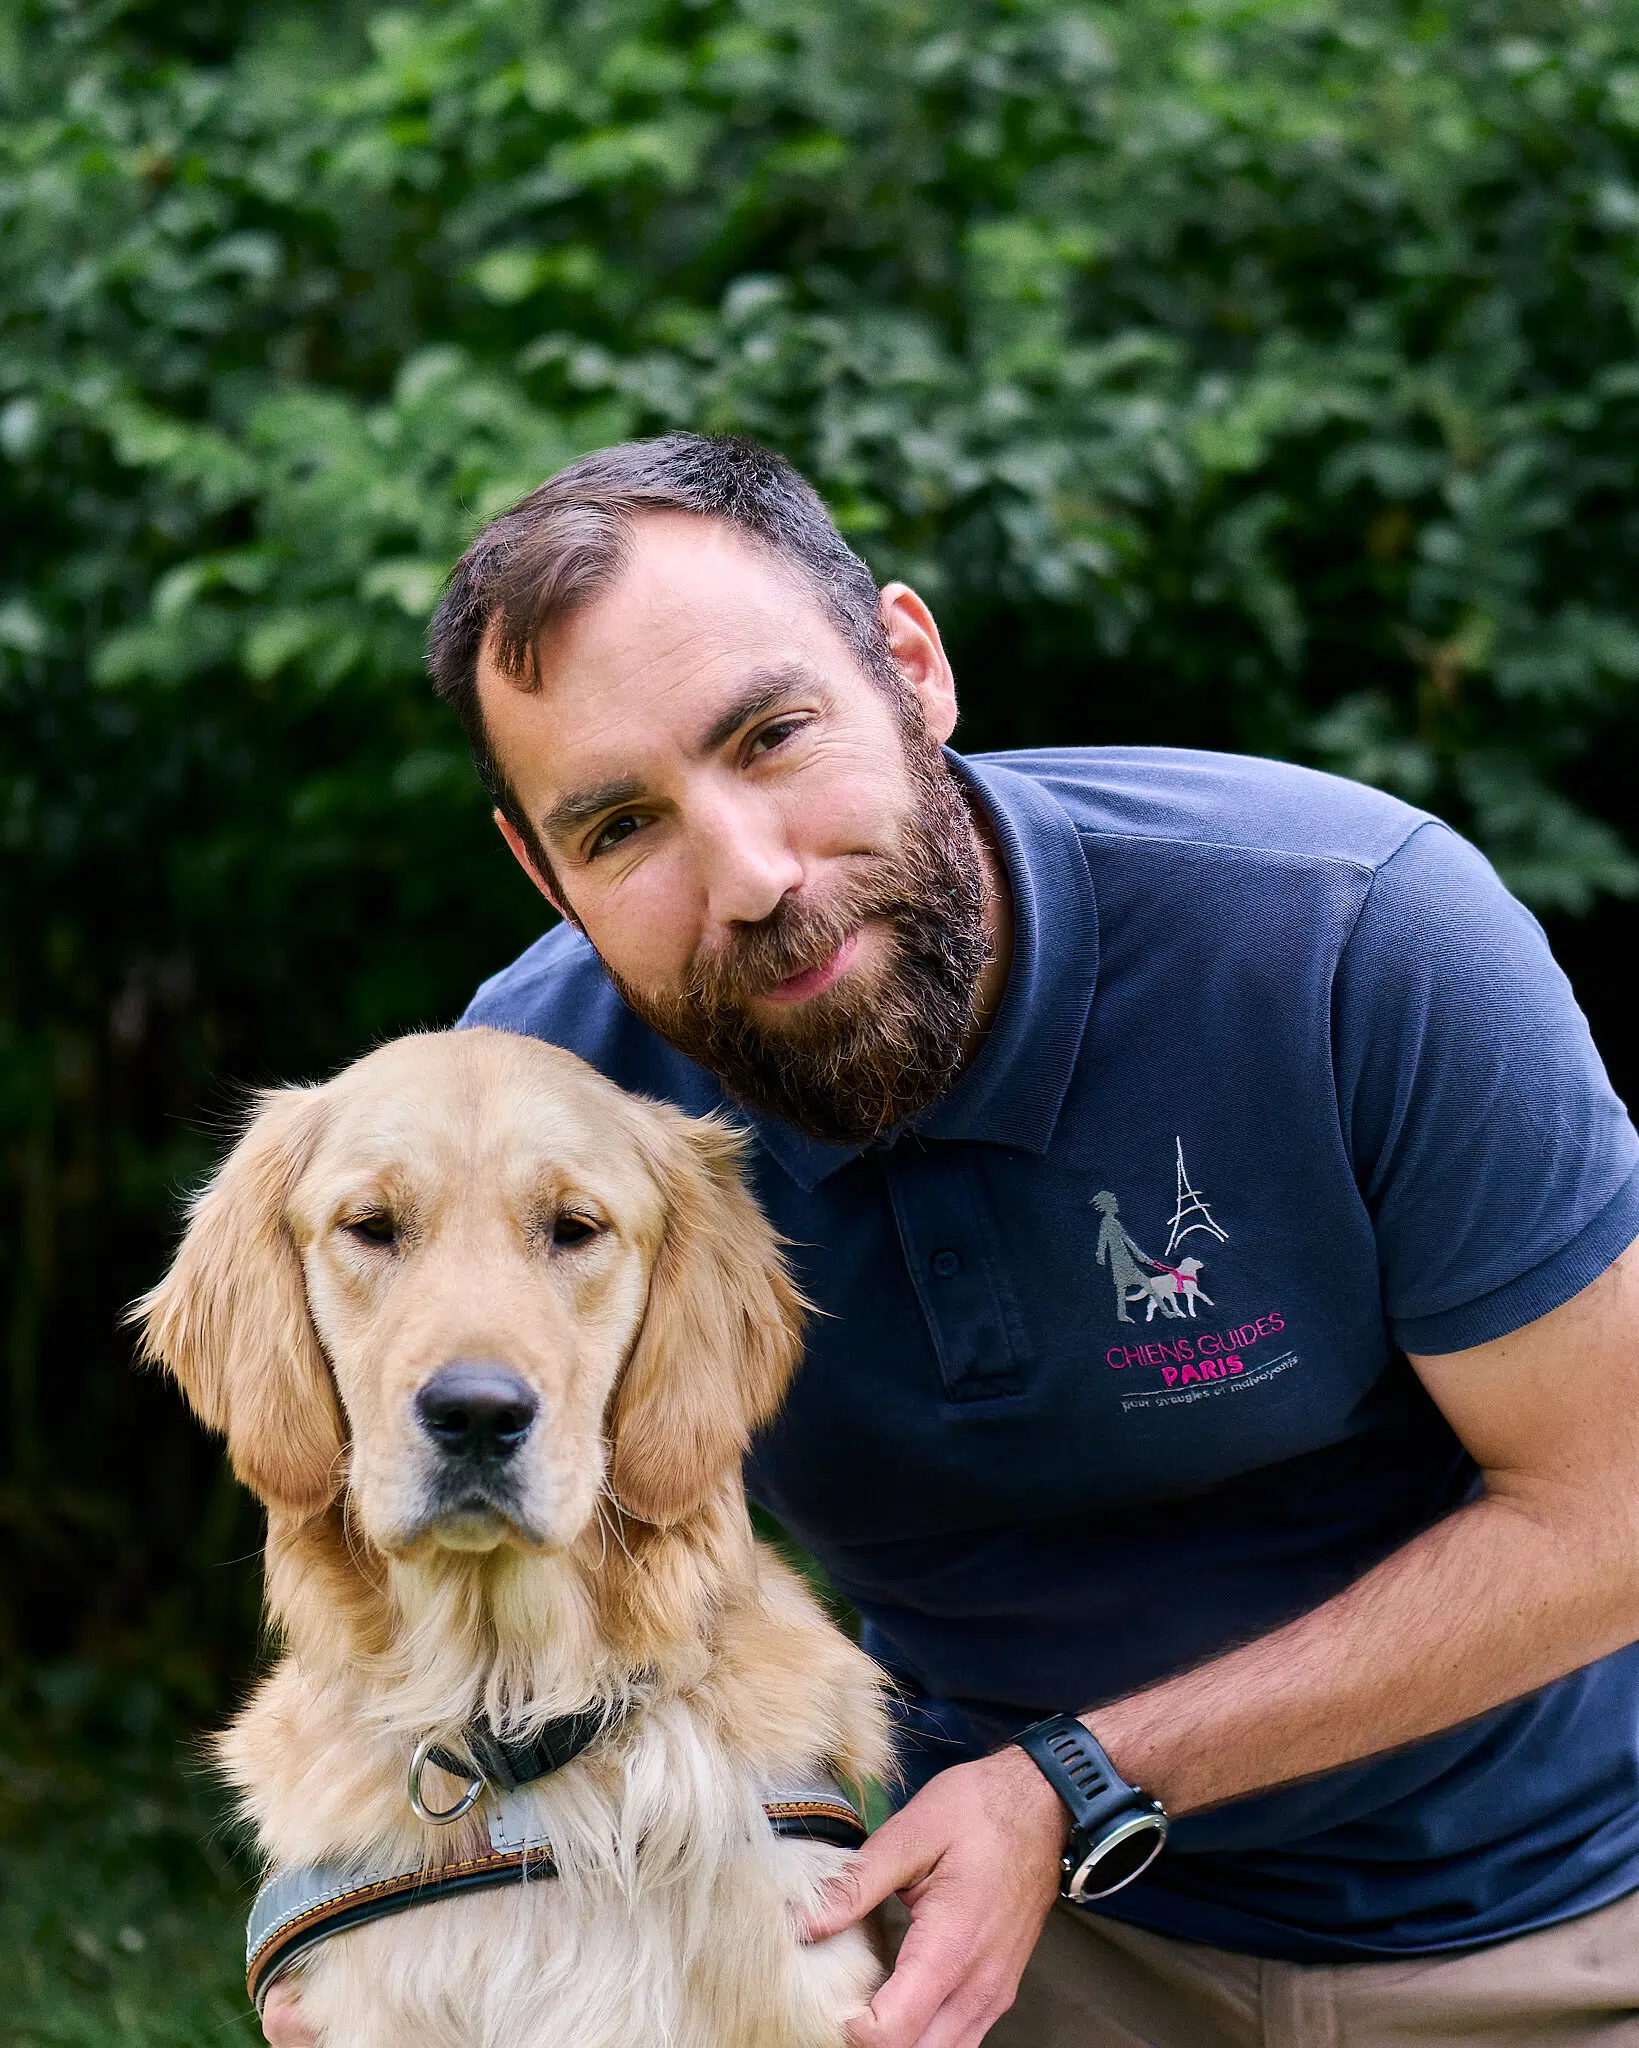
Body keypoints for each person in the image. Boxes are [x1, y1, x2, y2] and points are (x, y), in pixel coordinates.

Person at [261, 434, 1639, 2047]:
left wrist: (1078, 1778)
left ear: (910, 668)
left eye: (773, 736)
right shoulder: (554, 1114)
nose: (751, 877)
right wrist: (373, 1921)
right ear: (540, 870)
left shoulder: (1349, 935)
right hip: (963, 1938)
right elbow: (453, 1567)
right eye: (620, 826)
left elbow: (1607, 1505)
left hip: (1531, 1923)